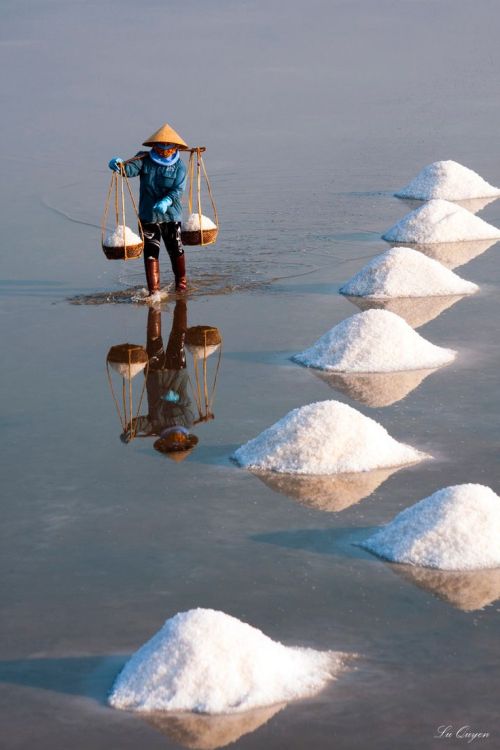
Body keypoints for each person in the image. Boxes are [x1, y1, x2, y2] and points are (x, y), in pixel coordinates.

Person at [108, 123, 189, 294]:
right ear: (154, 146)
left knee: (176, 249)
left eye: (169, 147)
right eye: (160, 147)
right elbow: (129, 170)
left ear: (175, 147)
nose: (165, 150)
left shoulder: (180, 166)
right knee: (151, 252)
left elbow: (178, 189)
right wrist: (120, 165)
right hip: (148, 216)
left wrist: (166, 201)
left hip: (171, 216)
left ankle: (181, 283)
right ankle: (154, 292)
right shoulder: (144, 159)